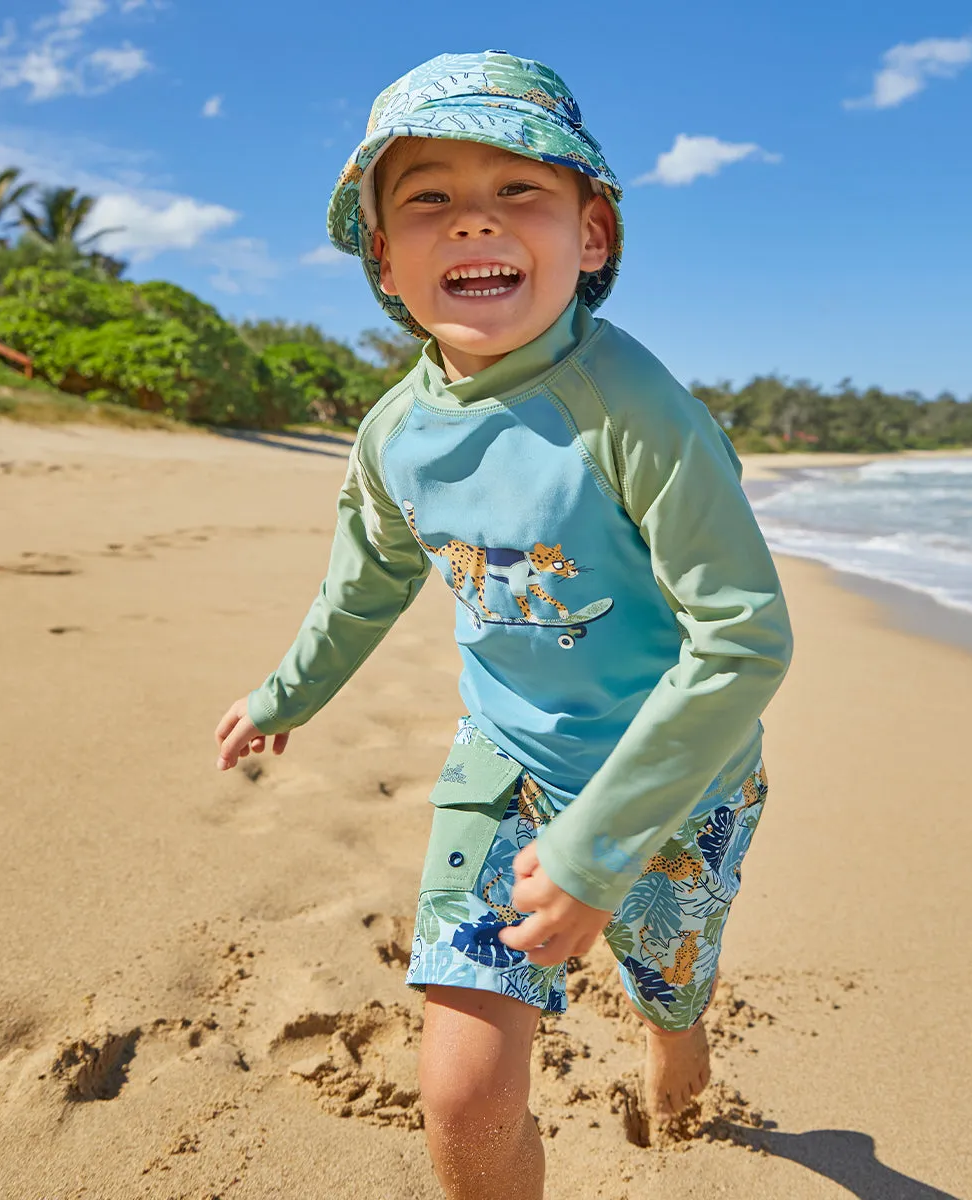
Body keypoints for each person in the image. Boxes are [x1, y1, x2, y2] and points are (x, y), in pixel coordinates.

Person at [214, 49, 792, 1200]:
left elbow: (742, 641)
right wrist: (288, 691)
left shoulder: (641, 415)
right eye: (428, 197)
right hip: (507, 768)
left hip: (681, 784)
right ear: (384, 255)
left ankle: (675, 1035)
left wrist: (597, 856)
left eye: (520, 190)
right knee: (464, 1098)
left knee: (668, 982)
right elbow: (368, 577)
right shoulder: (393, 435)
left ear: (593, 234)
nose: (473, 222)